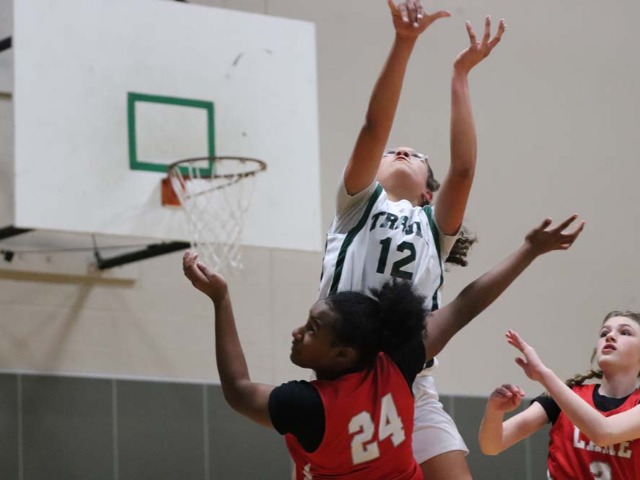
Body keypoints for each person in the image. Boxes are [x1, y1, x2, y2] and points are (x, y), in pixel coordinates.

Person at [183, 215, 583, 479]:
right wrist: (529, 250)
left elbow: (237, 388)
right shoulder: (396, 365)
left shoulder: (305, 405)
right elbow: (465, 306)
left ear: (343, 353)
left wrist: (221, 300)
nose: (297, 332)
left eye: (312, 328)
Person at [319, 1, 506, 477]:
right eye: (392, 152)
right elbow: (373, 126)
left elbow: (463, 170)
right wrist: (404, 44)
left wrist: (460, 76)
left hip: (410, 382)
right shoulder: (356, 205)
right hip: (345, 373)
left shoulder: (433, 228)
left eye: (416, 155)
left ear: (427, 192)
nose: (401, 150)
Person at [478, 312, 640, 479]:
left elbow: (604, 433)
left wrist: (543, 374)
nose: (610, 336)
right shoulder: (566, 394)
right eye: (604, 333)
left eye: (625, 332)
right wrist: (494, 412)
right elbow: (492, 446)